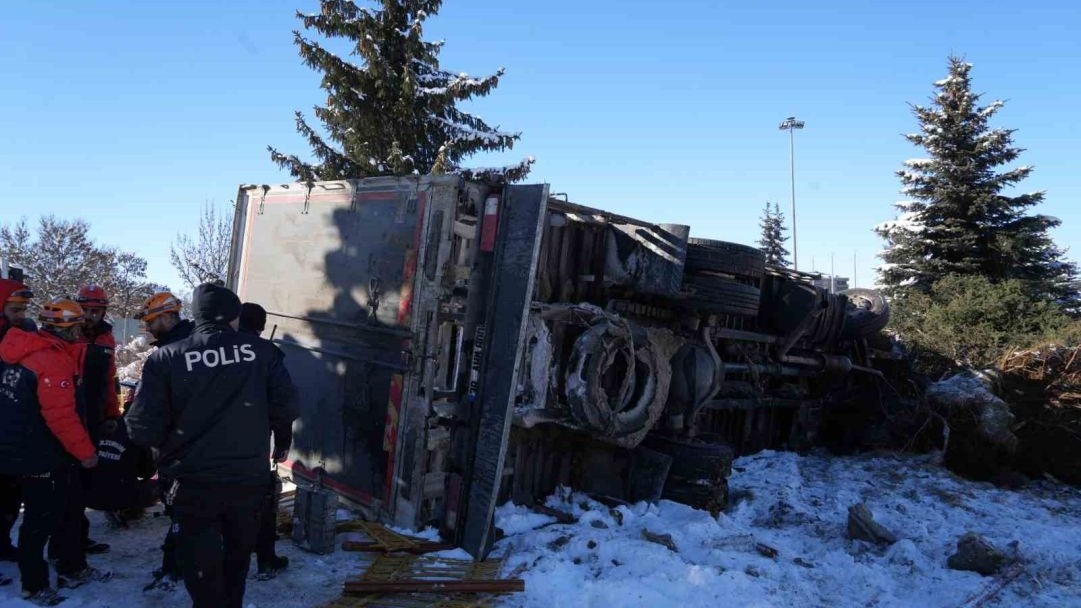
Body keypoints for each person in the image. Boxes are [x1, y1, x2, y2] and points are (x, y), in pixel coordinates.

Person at [127, 283, 298, 608]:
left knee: (200, 569)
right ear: (234, 316)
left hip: (192, 484)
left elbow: (141, 429)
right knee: (236, 562)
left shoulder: (166, 358)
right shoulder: (262, 353)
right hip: (247, 480)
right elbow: (287, 407)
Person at [0, 298, 111, 606]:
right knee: (40, 521)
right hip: (41, 453)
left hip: (30, 449)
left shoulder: (28, 350)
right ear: (66, 328)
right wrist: (86, 452)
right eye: (78, 326)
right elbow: (60, 415)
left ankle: (71, 565)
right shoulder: (49, 359)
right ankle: (33, 584)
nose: (82, 331)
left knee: (69, 509)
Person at [131, 291, 191, 591]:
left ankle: (176, 566)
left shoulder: (172, 354)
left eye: (153, 321)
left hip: (180, 447)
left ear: (169, 316)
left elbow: (151, 409)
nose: (150, 328)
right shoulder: (188, 346)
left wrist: (144, 436)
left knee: (181, 507)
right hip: (191, 444)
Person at [238, 302, 294, 580]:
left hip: (214, 448)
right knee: (262, 502)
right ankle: (265, 560)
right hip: (254, 447)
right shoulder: (269, 354)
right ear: (261, 326)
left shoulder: (218, 351)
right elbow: (283, 404)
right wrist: (283, 442)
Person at [0, 278, 36, 563]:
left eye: (24, 310)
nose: (22, 317)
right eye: (15, 310)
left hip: (12, 431)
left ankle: (2, 544)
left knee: (10, 495)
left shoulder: (24, 337)